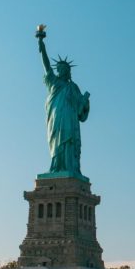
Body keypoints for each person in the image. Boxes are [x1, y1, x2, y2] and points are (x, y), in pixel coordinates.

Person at [36, 27, 90, 176]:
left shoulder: (73, 87)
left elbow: (81, 111)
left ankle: (70, 168)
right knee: (57, 141)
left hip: (71, 120)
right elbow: (46, 65)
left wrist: (85, 102)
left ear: (68, 71)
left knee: (70, 143)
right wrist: (41, 44)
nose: (61, 71)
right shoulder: (54, 82)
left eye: (64, 69)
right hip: (57, 118)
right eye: (59, 69)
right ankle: (57, 168)